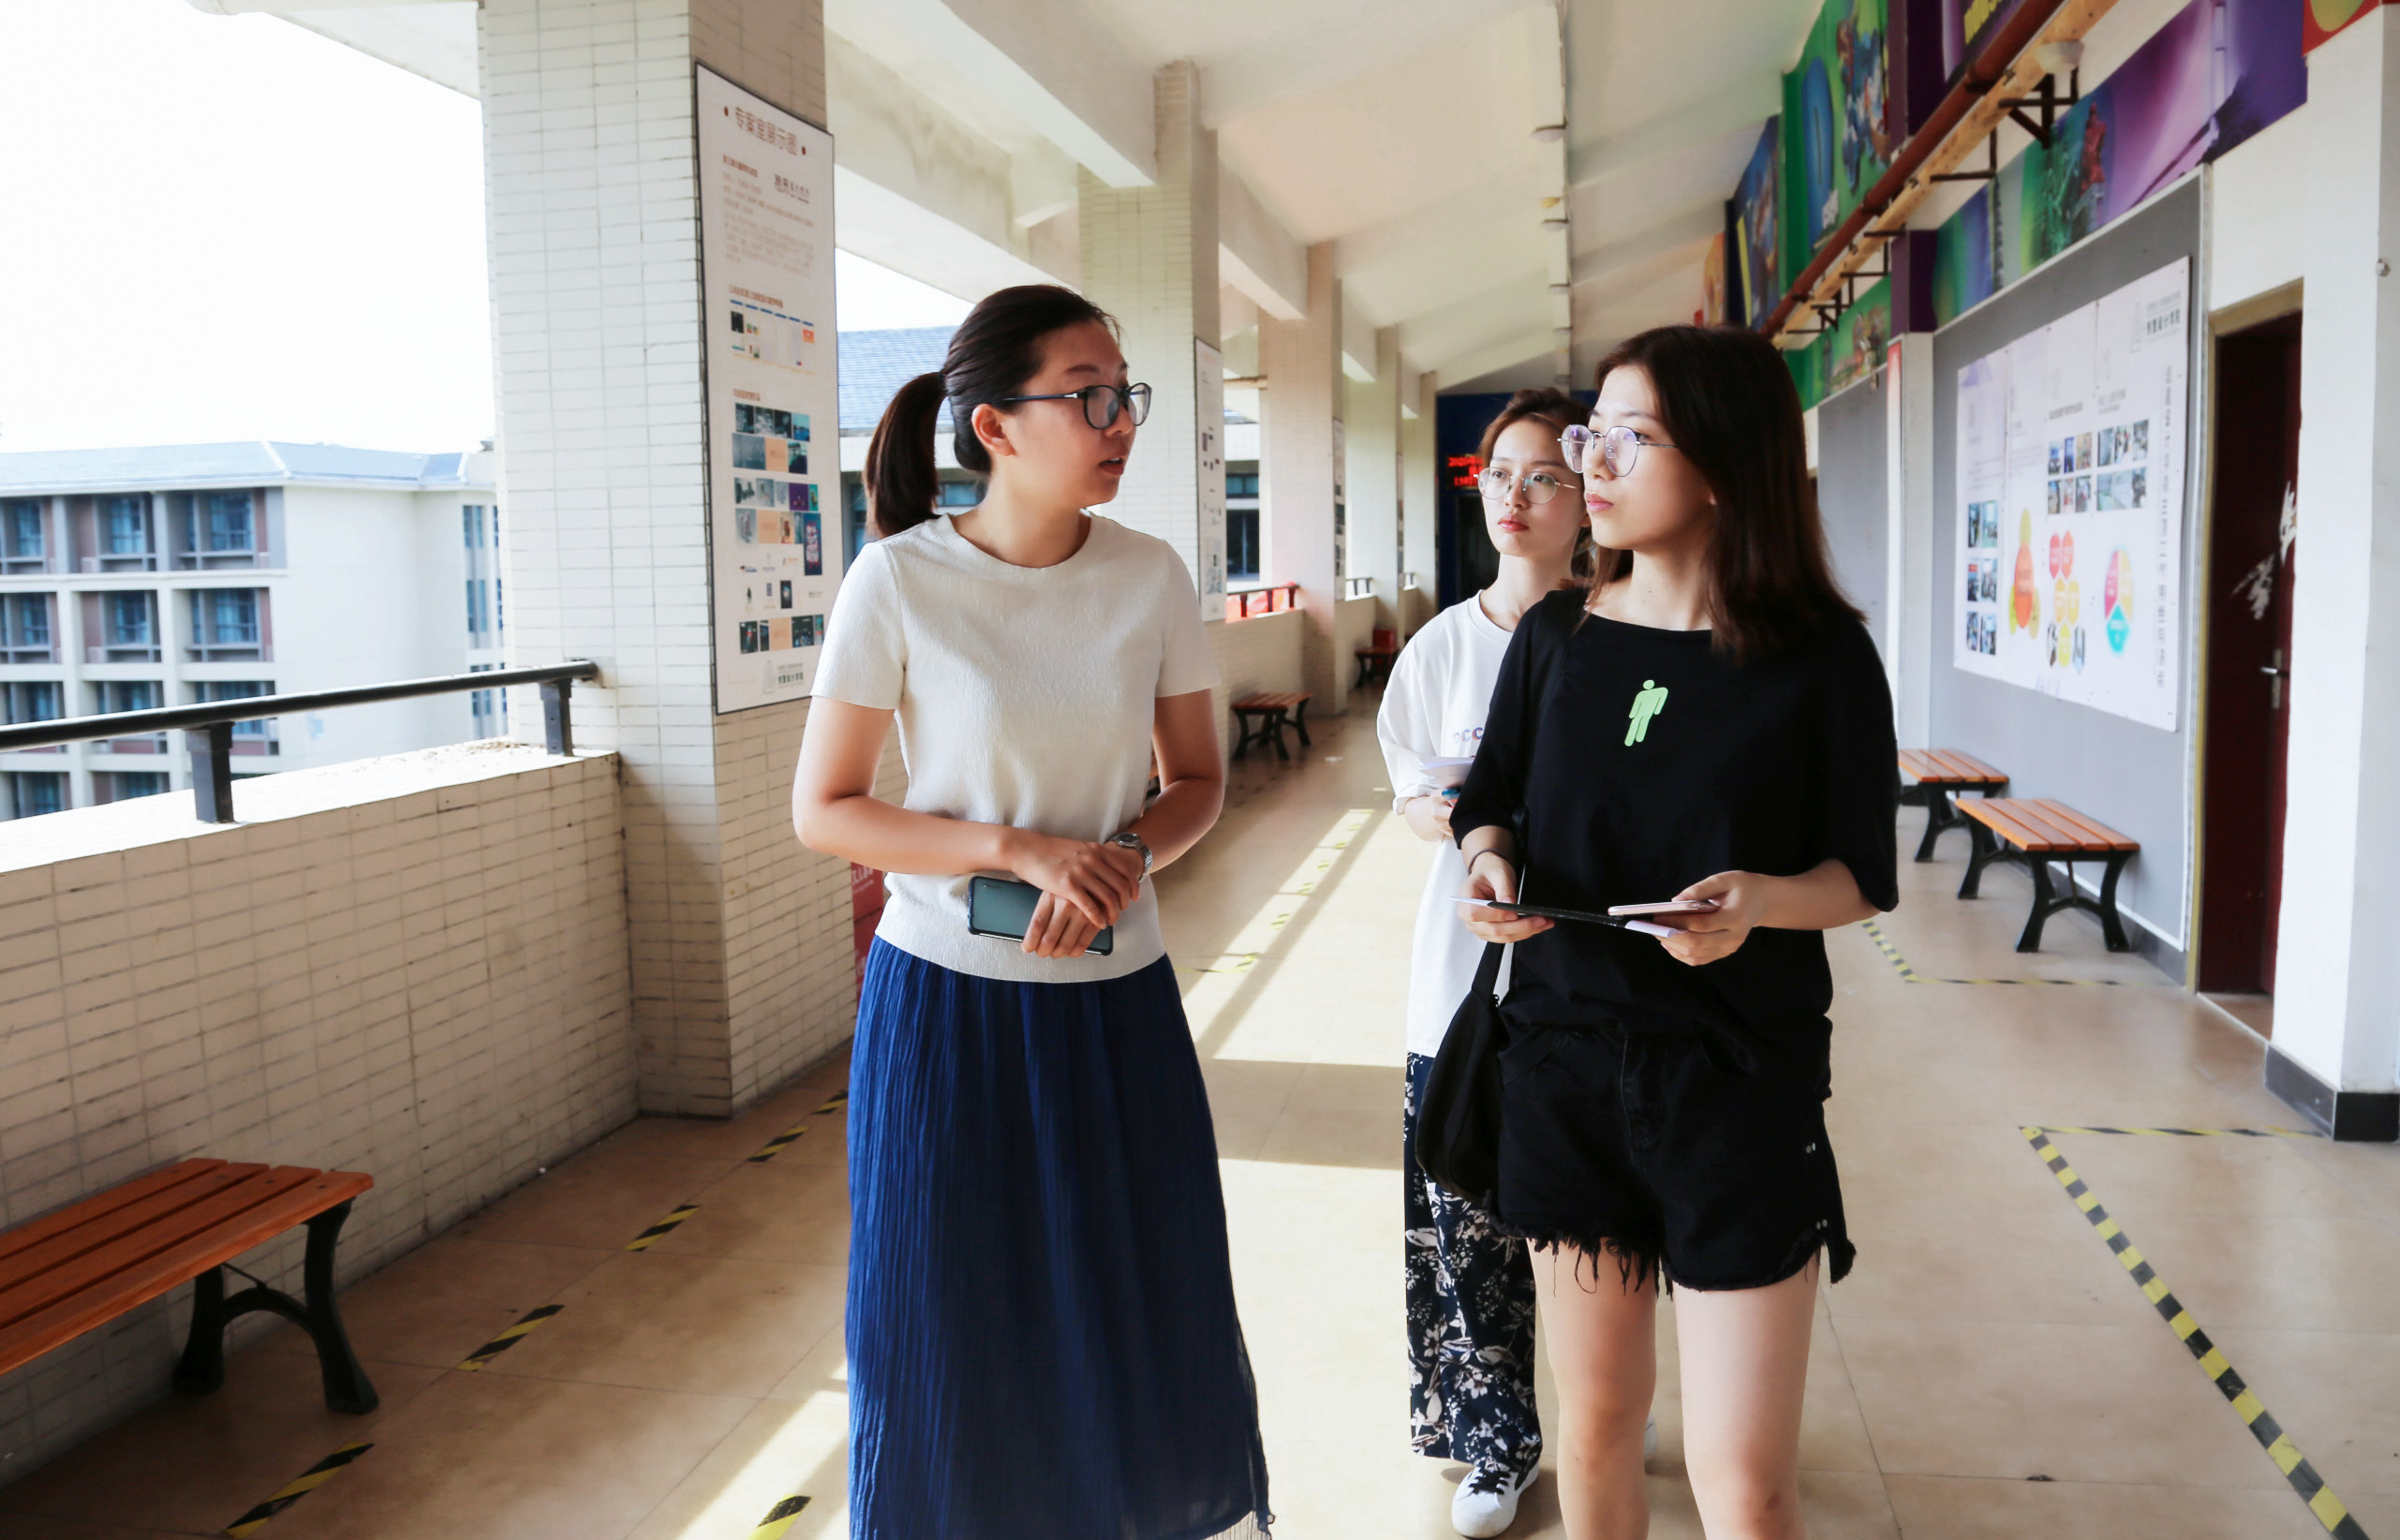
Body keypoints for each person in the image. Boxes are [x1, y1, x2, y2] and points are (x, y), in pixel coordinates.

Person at [792, 284, 1272, 1540]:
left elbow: (1198, 781)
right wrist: (1017, 851)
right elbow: (827, 809)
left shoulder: (1149, 575)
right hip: (945, 1005)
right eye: (1088, 395)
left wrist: (1121, 861)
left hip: (1115, 1003)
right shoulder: (899, 580)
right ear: (995, 427)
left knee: (1128, 1302)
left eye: (1125, 394)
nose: (1120, 421)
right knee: (947, 1319)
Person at [1452, 325, 1898, 1540]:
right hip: (1563, 1068)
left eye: (1631, 438)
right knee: (1597, 1431)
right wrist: (1489, 868)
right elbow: (1489, 802)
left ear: (1722, 461)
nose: (1590, 463)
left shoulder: (1817, 658)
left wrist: (1756, 903)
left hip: (1736, 1083)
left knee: (1741, 1480)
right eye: (1591, 434)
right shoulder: (1555, 639)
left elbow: (1861, 875)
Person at [1376, 388, 1593, 1537]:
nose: (1514, 495)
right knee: (1465, 1219)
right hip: (1462, 981)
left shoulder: (1622, 637)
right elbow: (1415, 797)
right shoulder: (1441, 649)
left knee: (1596, 1219)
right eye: (1498, 473)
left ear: (1587, 494)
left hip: (1592, 981)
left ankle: (1609, 1407)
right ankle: (1495, 1440)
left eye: (1543, 475)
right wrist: (1474, 824)